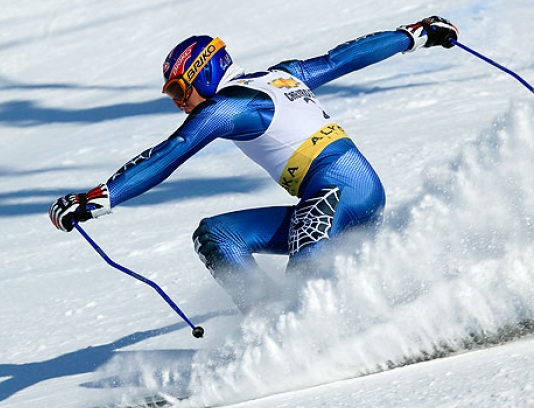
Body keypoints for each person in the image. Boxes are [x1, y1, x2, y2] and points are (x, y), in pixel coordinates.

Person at [49, 16, 459, 314]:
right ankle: (269, 327)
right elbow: (344, 58)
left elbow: (168, 154)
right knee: (218, 236)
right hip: (347, 194)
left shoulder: (225, 108)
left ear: (203, 73)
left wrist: (100, 198)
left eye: (178, 88)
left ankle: (295, 334)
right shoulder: (282, 76)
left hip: (334, 197)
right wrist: (415, 35)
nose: (177, 100)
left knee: (304, 300)